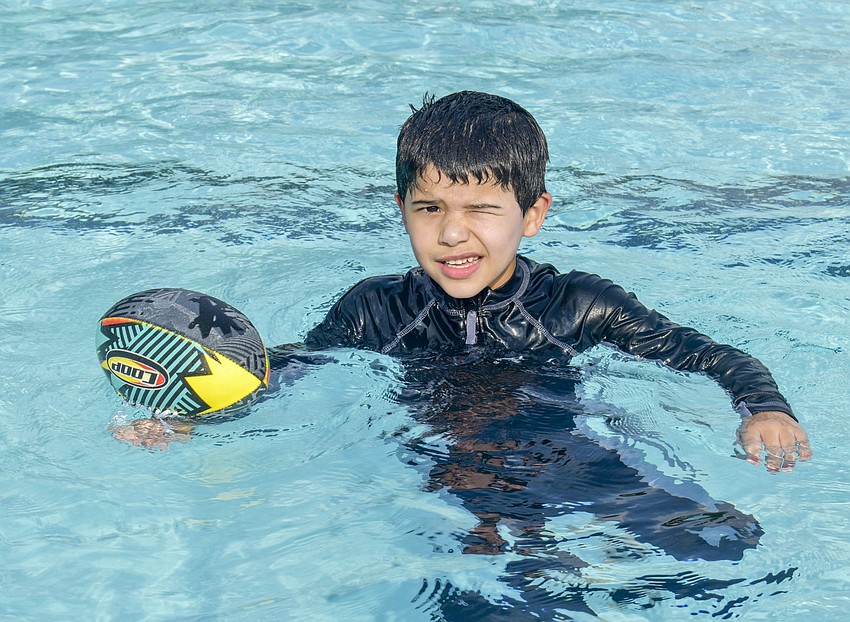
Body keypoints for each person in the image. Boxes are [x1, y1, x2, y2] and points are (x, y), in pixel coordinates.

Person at [301, 90, 811, 472]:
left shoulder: (578, 304)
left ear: (533, 214)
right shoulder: (374, 309)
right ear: (401, 209)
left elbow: (707, 354)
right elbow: (293, 368)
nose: (452, 233)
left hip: (564, 450)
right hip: (449, 462)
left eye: (482, 209)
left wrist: (766, 409)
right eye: (429, 208)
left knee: (720, 541)